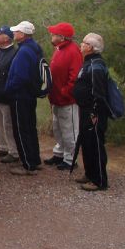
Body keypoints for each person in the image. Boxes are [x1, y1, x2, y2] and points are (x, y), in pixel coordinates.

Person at [4, 21, 43, 176]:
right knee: (30, 127)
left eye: (16, 31)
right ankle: (34, 159)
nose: (13, 34)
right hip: (29, 95)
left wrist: (9, 89)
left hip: (21, 96)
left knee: (21, 129)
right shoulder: (34, 47)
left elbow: (20, 76)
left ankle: (28, 164)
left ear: (23, 34)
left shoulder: (24, 51)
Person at [73, 33, 110, 191]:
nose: (81, 45)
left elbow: (99, 94)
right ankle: (89, 174)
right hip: (85, 110)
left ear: (90, 47)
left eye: (84, 43)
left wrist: (94, 114)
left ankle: (99, 180)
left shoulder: (96, 66)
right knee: (86, 143)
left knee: (95, 145)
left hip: (93, 113)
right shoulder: (89, 63)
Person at [45, 22, 83, 171]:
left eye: (54, 34)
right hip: (56, 98)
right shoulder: (59, 49)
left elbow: (74, 78)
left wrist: (64, 92)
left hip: (67, 100)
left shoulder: (73, 51)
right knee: (58, 128)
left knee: (70, 130)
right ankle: (59, 153)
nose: (52, 36)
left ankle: (70, 158)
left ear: (62, 37)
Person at [0, 26, 19, 164]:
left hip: (7, 94)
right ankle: (3, 146)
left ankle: (13, 151)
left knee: (8, 123)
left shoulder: (14, 53)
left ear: (6, 38)